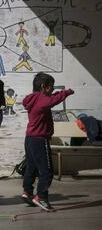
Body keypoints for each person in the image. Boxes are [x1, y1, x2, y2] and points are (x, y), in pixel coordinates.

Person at [21, 73, 74, 211]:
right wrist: (66, 92)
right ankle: (41, 198)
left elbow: (49, 98)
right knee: (47, 171)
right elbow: (52, 101)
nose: (52, 90)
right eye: (51, 87)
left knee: (31, 167)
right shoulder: (42, 99)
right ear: (43, 86)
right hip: (39, 140)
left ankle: (27, 192)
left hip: (30, 139)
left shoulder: (33, 98)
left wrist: (55, 93)